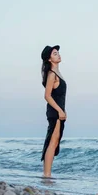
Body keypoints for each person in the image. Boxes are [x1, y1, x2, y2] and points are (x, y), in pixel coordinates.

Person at [40, 45, 67, 178]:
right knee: (52, 142)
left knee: (54, 142)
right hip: (55, 112)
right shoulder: (52, 74)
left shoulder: (58, 73)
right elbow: (47, 96)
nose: (58, 55)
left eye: (58, 53)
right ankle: (47, 175)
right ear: (49, 59)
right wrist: (59, 111)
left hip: (58, 112)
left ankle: (47, 174)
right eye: (55, 53)